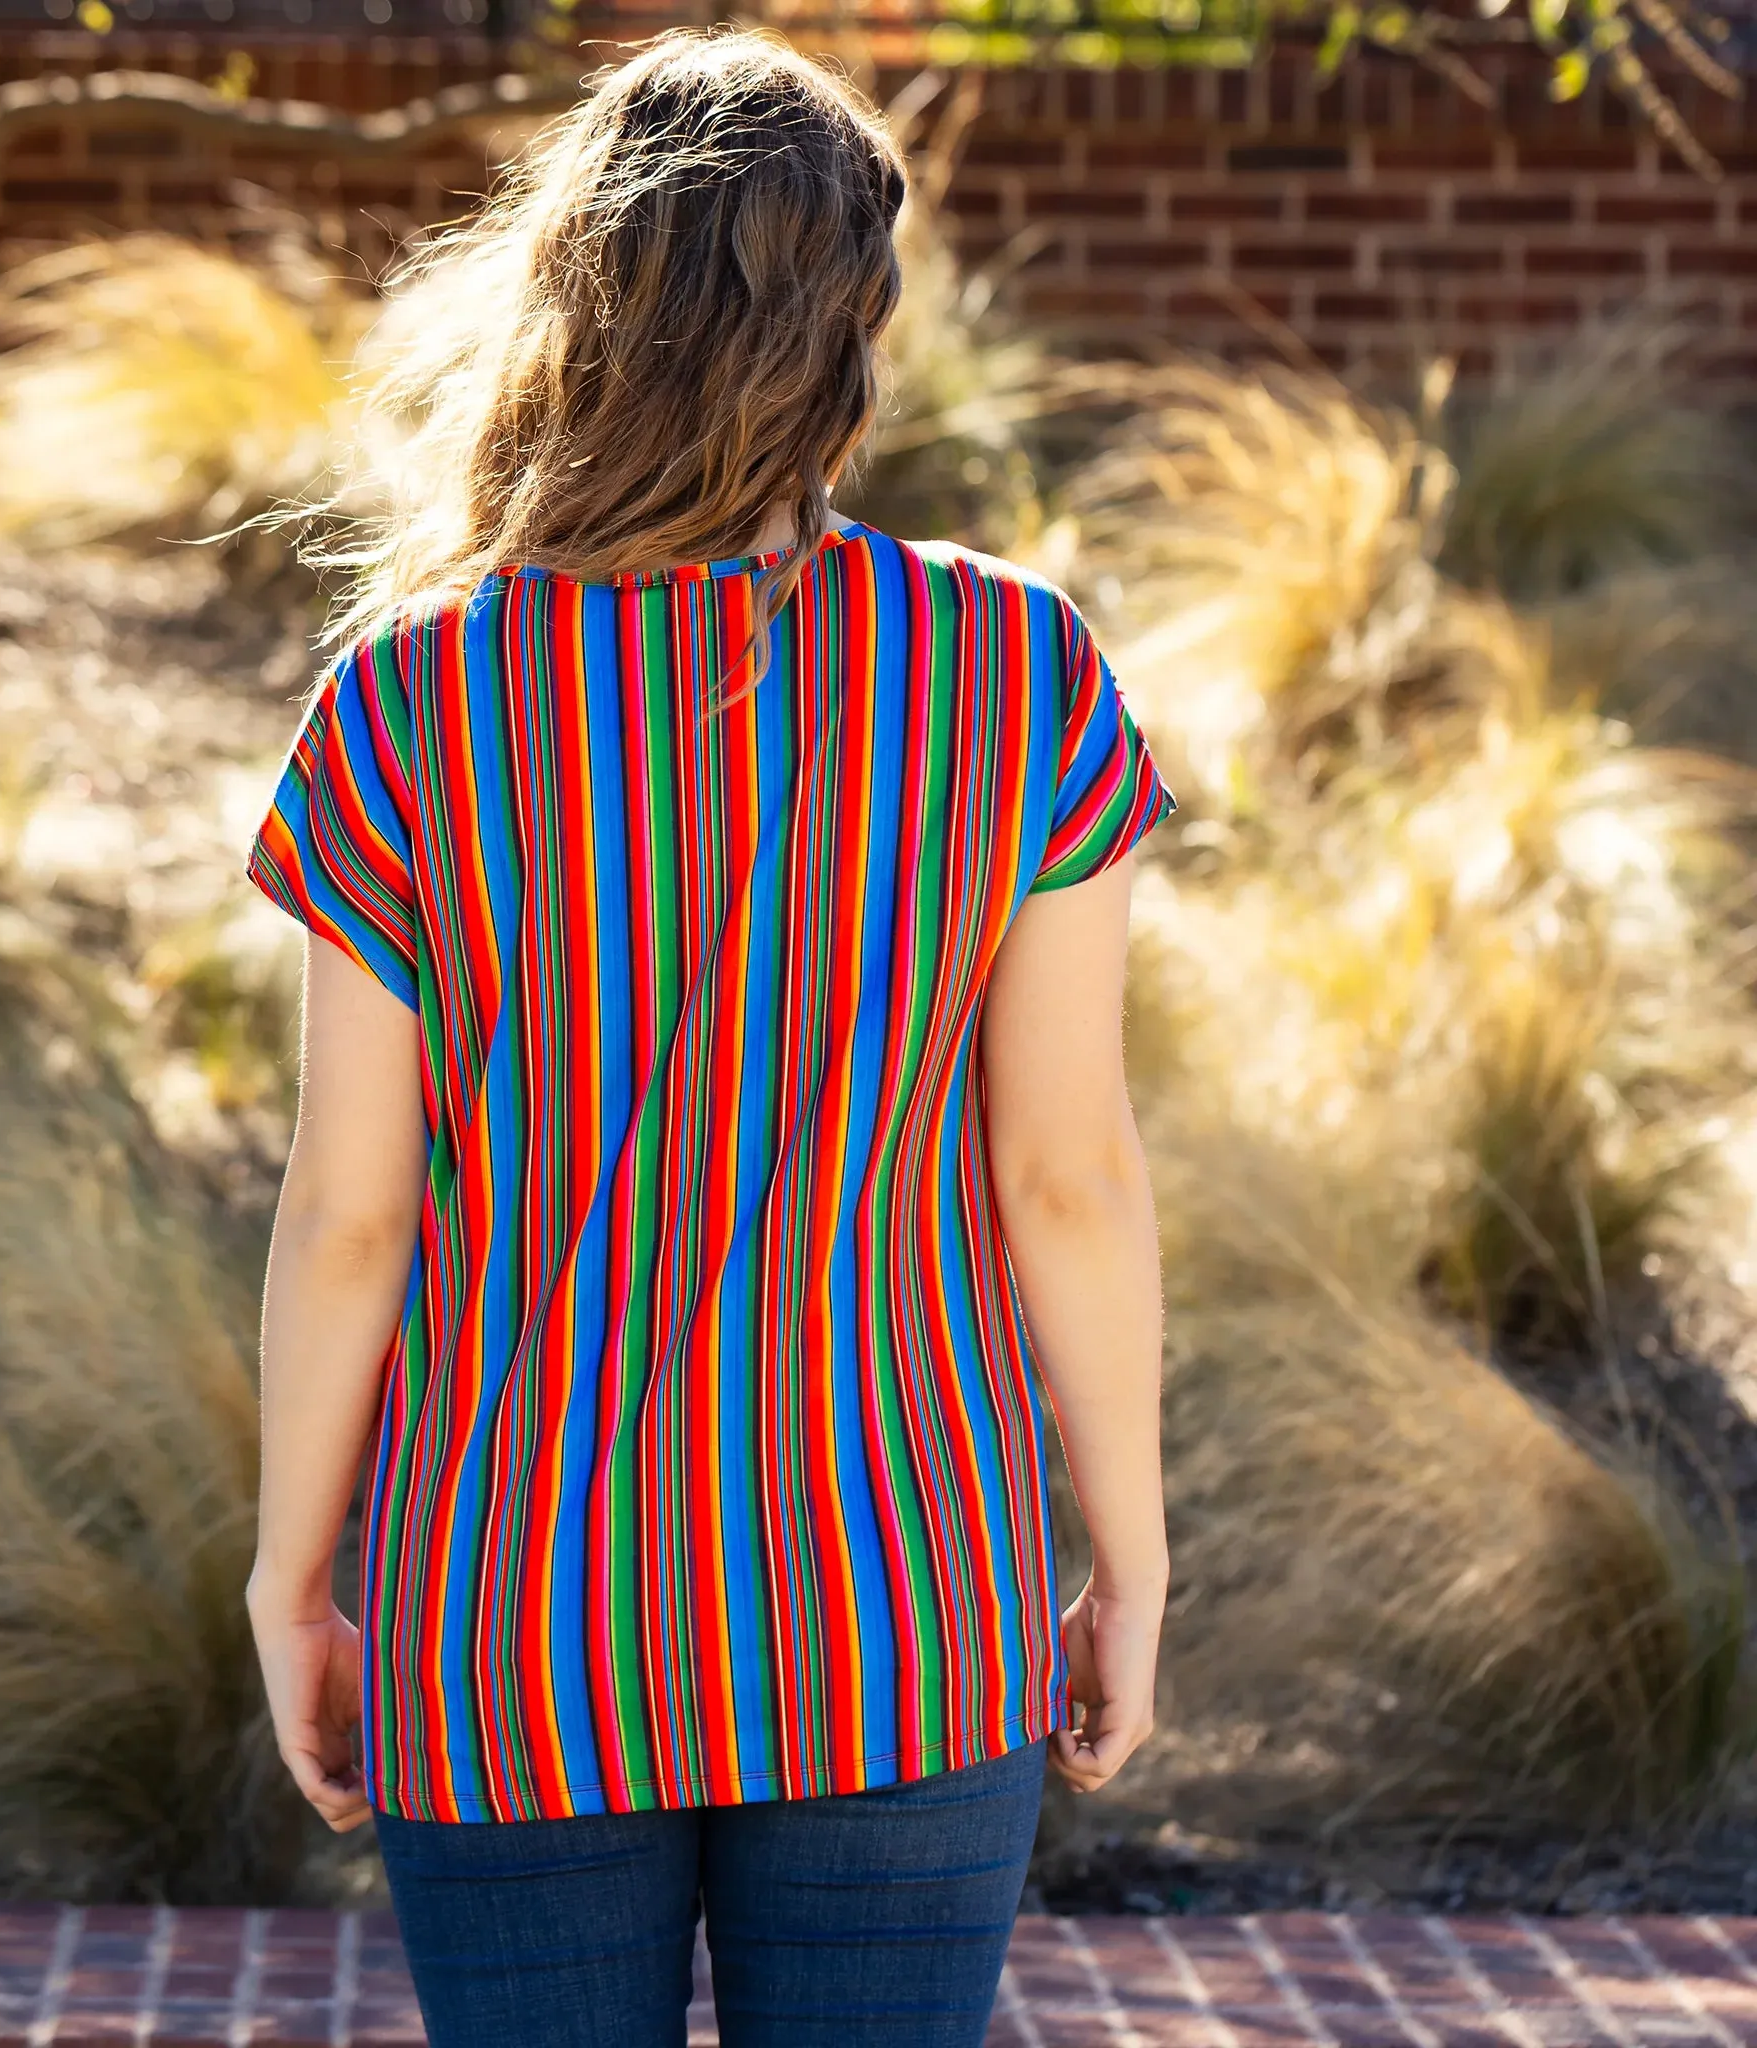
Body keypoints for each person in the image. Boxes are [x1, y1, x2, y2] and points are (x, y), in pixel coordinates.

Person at [241, 27, 1176, 2048]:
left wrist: (290, 1577)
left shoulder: (414, 702)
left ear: (573, 296)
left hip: (502, 1618)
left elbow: (346, 1217)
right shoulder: (1011, 673)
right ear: (858, 320)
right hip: (908, 1610)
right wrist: (1128, 1555)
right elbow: (1066, 1179)